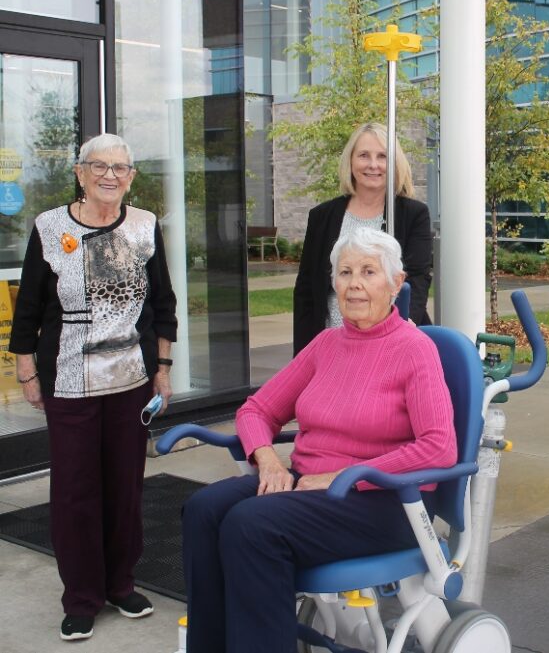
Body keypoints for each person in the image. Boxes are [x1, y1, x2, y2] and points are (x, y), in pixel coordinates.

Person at [182, 227, 456, 652]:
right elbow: (256, 409)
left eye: (368, 272)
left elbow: (439, 446)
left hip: (385, 501)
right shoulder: (327, 343)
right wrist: (268, 459)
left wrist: (342, 476)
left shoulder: (414, 349)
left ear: (396, 283)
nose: (355, 283)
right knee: (204, 509)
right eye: (345, 272)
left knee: (251, 525)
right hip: (308, 483)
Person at [9, 133, 177, 642]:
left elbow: (163, 305)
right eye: (98, 166)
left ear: (131, 177)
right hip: (67, 380)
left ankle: (121, 584)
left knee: (125, 486)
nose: (110, 175)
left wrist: (163, 368)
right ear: (80, 173)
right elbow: (30, 308)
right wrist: (25, 371)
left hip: (130, 380)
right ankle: (81, 597)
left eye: (121, 167)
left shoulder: (145, 227)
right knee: (76, 490)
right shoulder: (49, 227)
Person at [293, 122, 433, 353]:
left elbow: (416, 279)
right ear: (350, 161)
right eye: (364, 155)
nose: (373, 165)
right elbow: (306, 290)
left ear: (395, 164)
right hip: (333, 344)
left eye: (382, 156)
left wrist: (402, 327)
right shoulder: (321, 217)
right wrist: (303, 357)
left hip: (391, 344)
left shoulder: (413, 214)